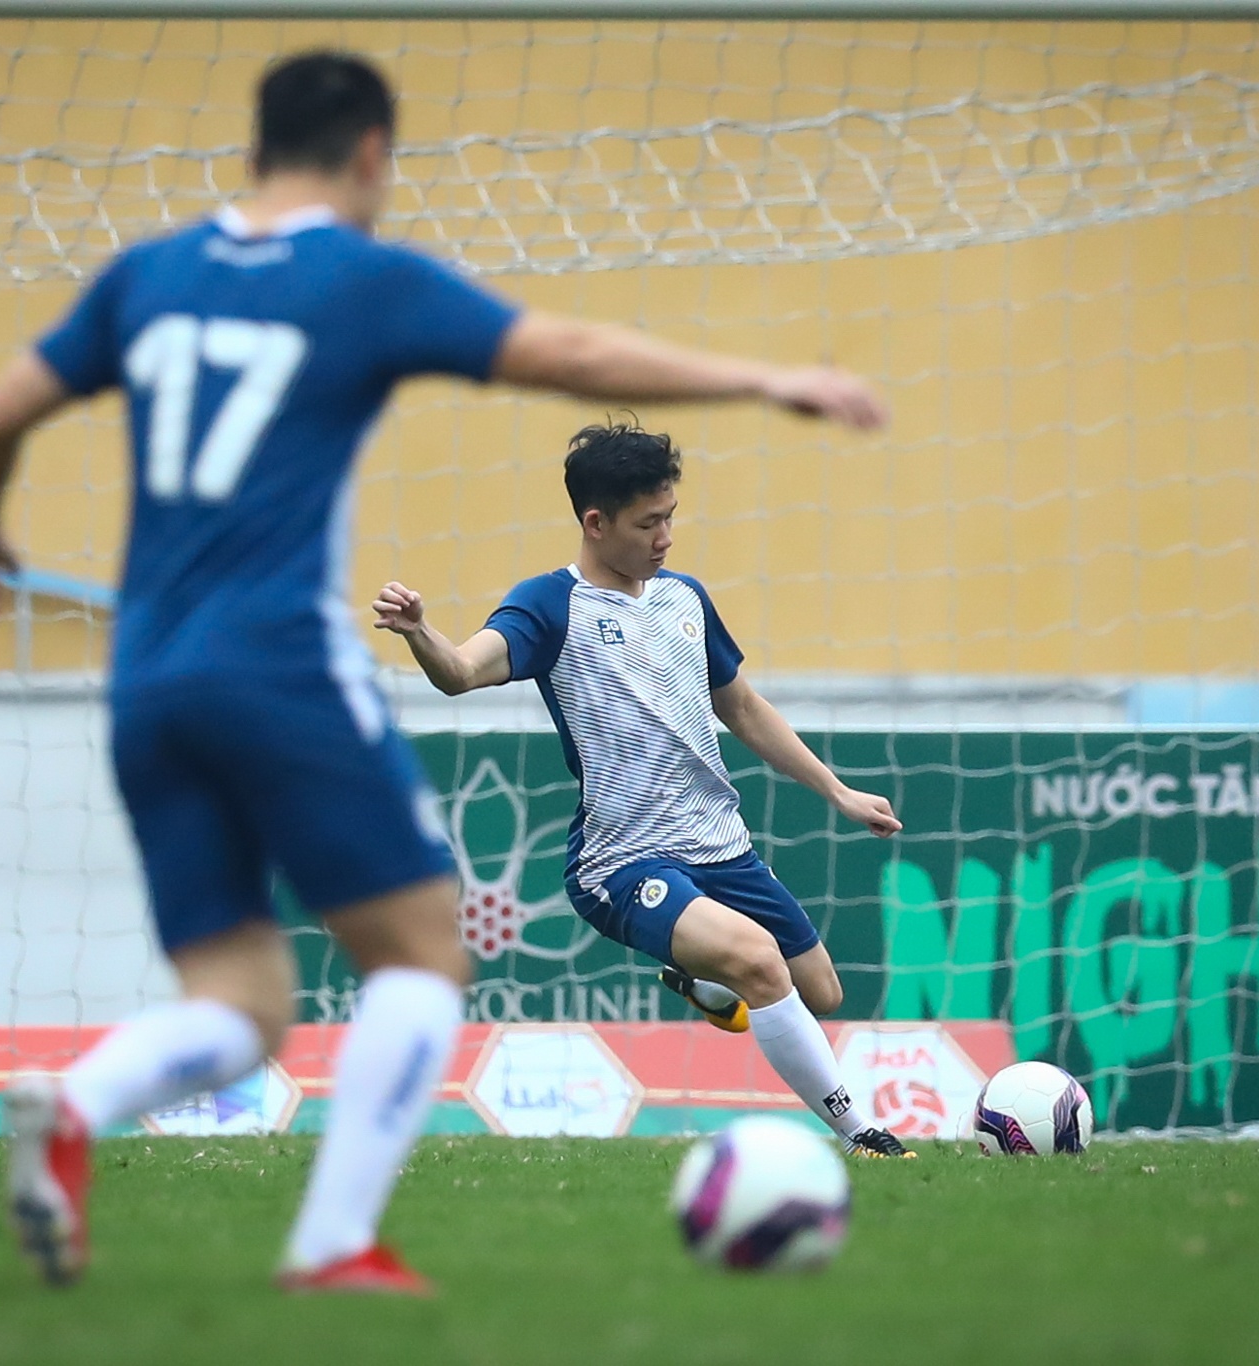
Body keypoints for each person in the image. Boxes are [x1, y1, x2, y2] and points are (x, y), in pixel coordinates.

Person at [0, 51, 887, 1296]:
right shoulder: (356, 276)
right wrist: (764, 379)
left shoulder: (147, 276)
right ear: (372, 157)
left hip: (143, 678)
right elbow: (567, 352)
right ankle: (334, 1241)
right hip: (276, 662)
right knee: (423, 953)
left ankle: (72, 1103)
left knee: (239, 997)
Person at [374, 421, 910, 1159]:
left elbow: (743, 708)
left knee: (817, 992)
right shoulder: (549, 606)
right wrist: (419, 632)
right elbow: (462, 673)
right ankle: (865, 1135)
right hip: (622, 863)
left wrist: (838, 792)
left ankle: (707, 985)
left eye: (670, 518)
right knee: (758, 960)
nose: (665, 538)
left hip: (720, 845)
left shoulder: (686, 600)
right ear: (595, 523)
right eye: (649, 522)